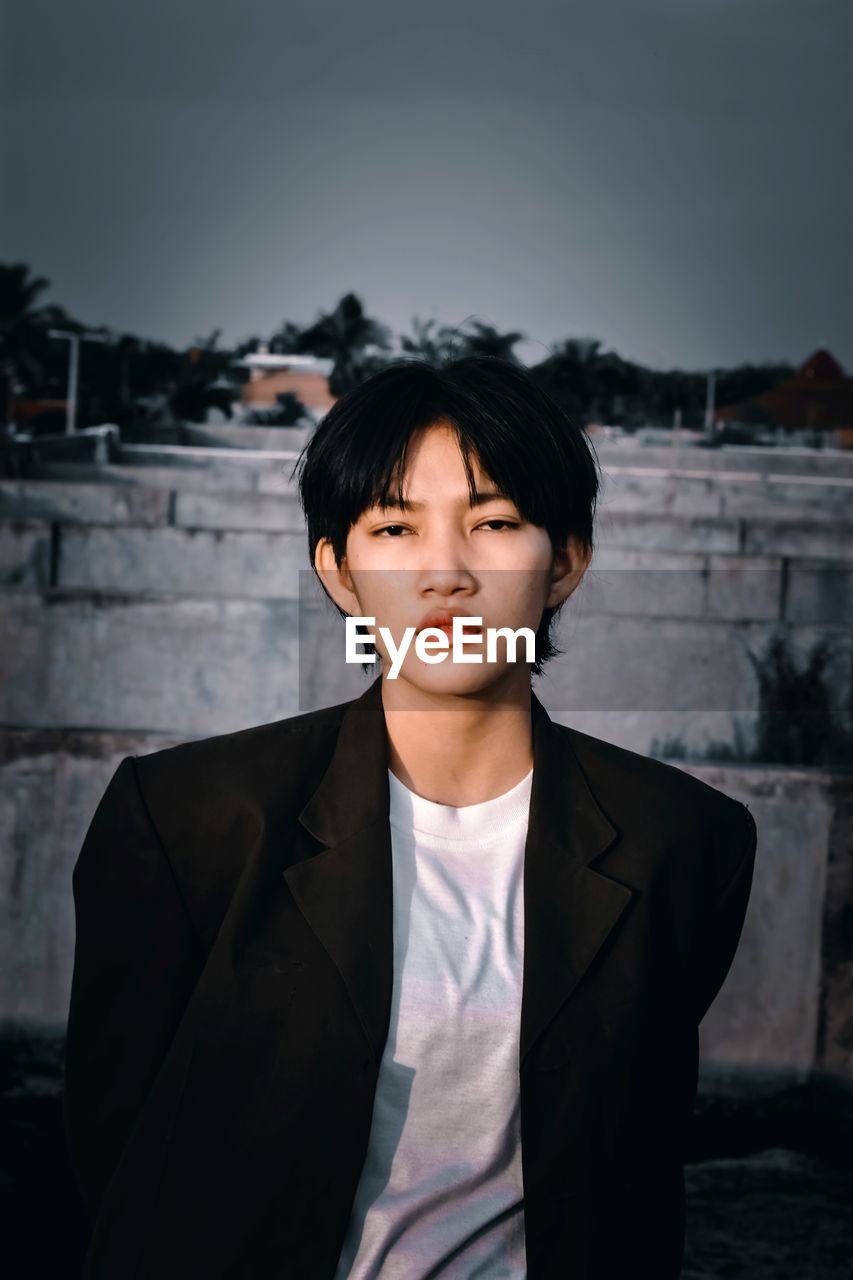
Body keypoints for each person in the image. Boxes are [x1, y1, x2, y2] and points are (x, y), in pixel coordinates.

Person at [63, 356, 758, 1279]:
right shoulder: (189, 820)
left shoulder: (683, 842)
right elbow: (113, 1153)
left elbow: (630, 1165)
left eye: (495, 522)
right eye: (394, 527)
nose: (446, 574)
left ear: (565, 562)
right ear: (339, 573)